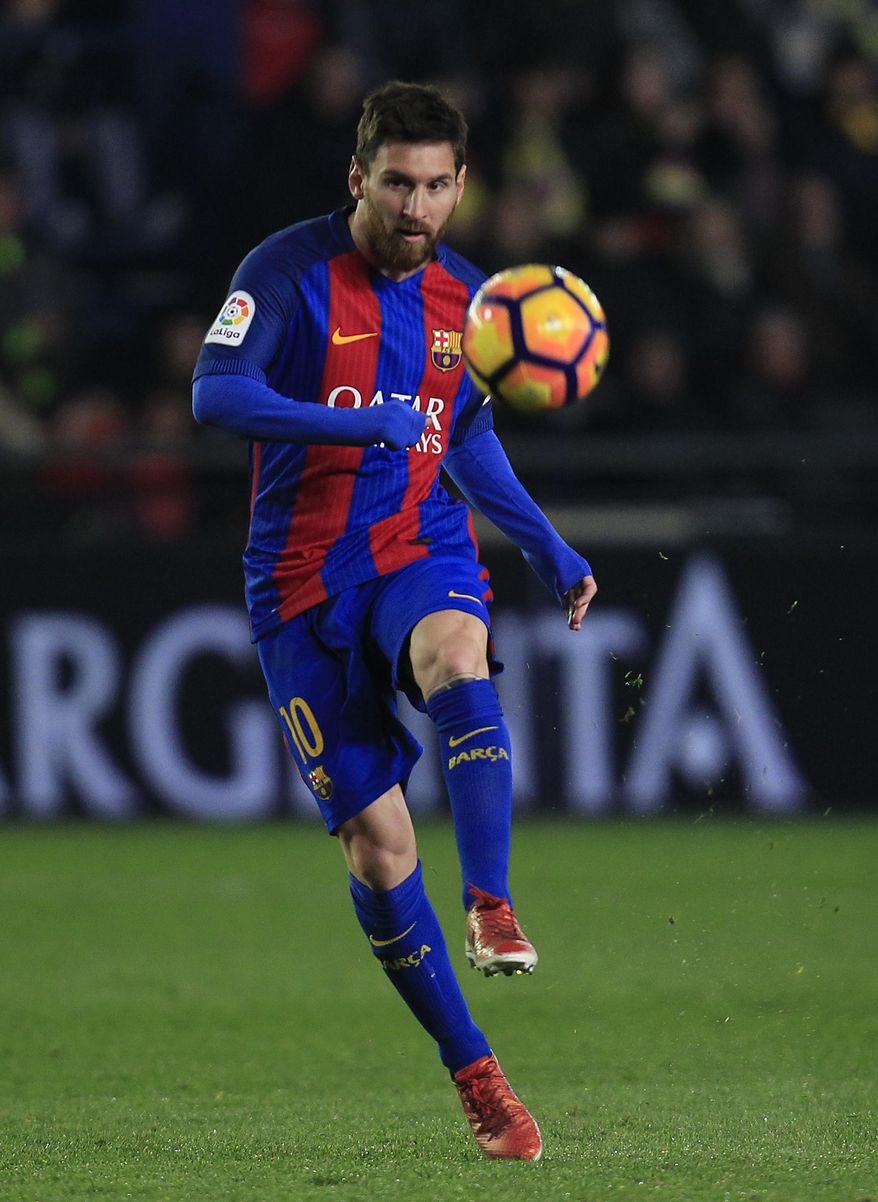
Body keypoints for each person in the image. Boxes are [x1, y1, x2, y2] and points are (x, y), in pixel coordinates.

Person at [192, 80, 596, 1161]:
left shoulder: (472, 301)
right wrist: (350, 420)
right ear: (358, 178)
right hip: (298, 583)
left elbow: (464, 437)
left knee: (457, 651)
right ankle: (475, 1072)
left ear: (461, 185)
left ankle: (491, 900)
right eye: (396, 184)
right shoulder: (284, 271)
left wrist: (547, 545)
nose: (416, 208)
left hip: (419, 545)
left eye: (435, 187)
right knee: (377, 850)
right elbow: (214, 393)